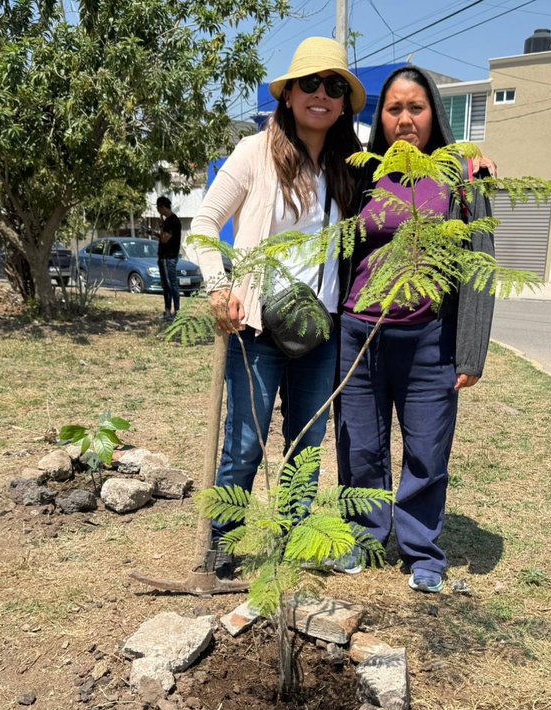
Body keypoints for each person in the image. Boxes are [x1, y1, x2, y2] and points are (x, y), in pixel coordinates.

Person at [189, 37, 365, 559]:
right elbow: (204, 222)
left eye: (334, 86)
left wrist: (470, 168)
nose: (322, 95)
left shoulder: (349, 163)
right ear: (288, 94)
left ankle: (290, 549)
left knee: (305, 447)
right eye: (309, 83)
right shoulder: (254, 154)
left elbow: (409, 169)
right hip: (257, 328)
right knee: (244, 445)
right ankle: (223, 543)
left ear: (342, 101)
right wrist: (219, 287)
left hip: (321, 332)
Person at [333, 65, 496, 594]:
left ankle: (422, 550)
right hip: (360, 334)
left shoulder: (461, 180)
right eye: (394, 108)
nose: (405, 120)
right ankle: (363, 533)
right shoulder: (363, 174)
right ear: (379, 118)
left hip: (431, 338)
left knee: (427, 450)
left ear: (434, 115)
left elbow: (480, 265)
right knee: (360, 447)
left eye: (416, 108)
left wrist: (470, 352)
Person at [156, 196, 182, 320]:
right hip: (163, 256)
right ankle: (167, 312)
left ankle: (176, 312)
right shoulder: (167, 221)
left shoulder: (172, 221)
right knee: (166, 285)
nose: (158, 211)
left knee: (171, 284)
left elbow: (165, 238)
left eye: (158, 208)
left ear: (162, 207)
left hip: (169, 257)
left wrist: (160, 229)